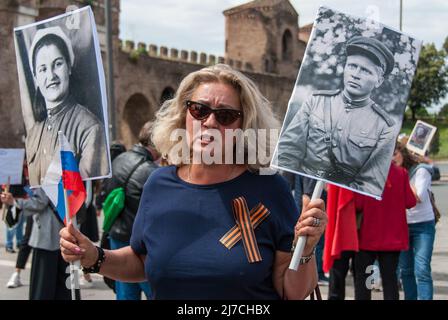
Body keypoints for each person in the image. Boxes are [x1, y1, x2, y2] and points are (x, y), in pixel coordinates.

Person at [60, 64, 327, 300]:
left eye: (224, 116)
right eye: (199, 110)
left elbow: (293, 292)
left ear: (244, 126)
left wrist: (307, 248)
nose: (209, 122)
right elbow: (142, 260)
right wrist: (94, 257)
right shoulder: (158, 184)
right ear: (184, 115)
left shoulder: (270, 189)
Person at [275, 36, 396, 197]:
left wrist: (336, 193)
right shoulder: (316, 101)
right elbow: (288, 151)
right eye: (352, 66)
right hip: (304, 191)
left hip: (342, 200)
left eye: (366, 70)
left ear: (379, 80)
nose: (356, 74)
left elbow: (371, 183)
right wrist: (302, 193)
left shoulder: (384, 126)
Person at [25, 26, 108, 186]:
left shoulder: (91, 128)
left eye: (57, 64)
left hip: (71, 211)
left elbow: (87, 191)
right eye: (42, 69)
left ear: (69, 67)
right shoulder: (33, 134)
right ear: (36, 78)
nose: (51, 76)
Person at [102, 121, 160, 300]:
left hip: (117, 235)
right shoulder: (150, 171)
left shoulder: (120, 159)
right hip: (138, 245)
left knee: (126, 294)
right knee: (155, 292)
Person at [353, 160, 417, 300]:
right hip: (393, 237)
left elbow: (358, 204)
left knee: (366, 279)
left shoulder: (365, 172)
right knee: (390, 279)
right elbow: (410, 202)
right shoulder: (401, 173)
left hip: (368, 236)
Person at [1, 189, 72, 300]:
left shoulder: (47, 173)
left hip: (48, 235)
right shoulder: (63, 173)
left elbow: (40, 202)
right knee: (63, 284)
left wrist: (15, 202)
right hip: (63, 231)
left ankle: (17, 273)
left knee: (43, 286)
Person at [394, 142, 436, 300]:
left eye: (395, 153)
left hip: (423, 226)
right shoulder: (394, 173)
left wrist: (403, 175)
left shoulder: (421, 171)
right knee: (406, 270)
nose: (392, 158)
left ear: (403, 153)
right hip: (403, 226)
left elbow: (417, 197)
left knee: (422, 269)